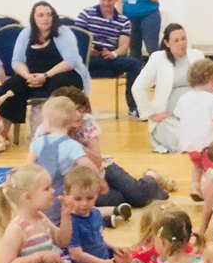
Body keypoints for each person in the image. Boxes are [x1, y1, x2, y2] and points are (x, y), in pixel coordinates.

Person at [36, 86, 171, 213]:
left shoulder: (87, 121)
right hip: (76, 181)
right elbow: (38, 168)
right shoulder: (45, 133)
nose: (78, 114)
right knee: (113, 200)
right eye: (72, 111)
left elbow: (97, 160)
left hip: (102, 168)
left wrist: (78, 148)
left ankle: (151, 176)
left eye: (80, 108)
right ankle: (133, 193)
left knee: (137, 195)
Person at [0, 2, 89, 136]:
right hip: (32, 74)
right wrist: (27, 76)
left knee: (62, 88)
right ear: (33, 18)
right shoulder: (25, 33)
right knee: (10, 86)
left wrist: (45, 75)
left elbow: (71, 61)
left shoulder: (64, 33)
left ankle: (59, 131)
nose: (45, 18)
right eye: (40, 15)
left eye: (48, 15)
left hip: (60, 73)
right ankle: (2, 134)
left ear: (53, 17)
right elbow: (17, 62)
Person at [131, 23, 205, 154]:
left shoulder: (197, 55)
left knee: (206, 136)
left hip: (195, 114)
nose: (181, 43)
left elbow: (208, 84)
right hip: (168, 118)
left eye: (183, 38)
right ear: (167, 43)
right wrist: (150, 114)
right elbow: (137, 87)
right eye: (176, 40)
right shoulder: (158, 58)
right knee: (182, 138)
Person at [76, 0, 143, 117]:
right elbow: (77, 39)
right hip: (87, 60)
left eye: (110, 0)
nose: (106, 3)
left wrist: (113, 53)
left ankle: (133, 106)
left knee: (135, 63)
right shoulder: (86, 14)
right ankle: (75, 106)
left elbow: (124, 47)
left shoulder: (123, 21)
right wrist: (88, 49)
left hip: (109, 60)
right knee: (70, 63)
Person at [0, 166, 72, 263]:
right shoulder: (17, 228)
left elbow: (63, 241)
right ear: (28, 197)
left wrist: (66, 215)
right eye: (47, 188)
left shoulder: (41, 217)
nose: (53, 191)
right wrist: (39, 257)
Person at [27, 95, 91, 223]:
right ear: (71, 122)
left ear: (48, 122)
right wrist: (99, 181)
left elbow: (28, 166)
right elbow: (87, 164)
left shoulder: (39, 142)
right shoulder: (72, 144)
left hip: (40, 195)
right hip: (62, 197)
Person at [174, 58, 213, 199]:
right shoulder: (212, 99)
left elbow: (178, 115)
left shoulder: (184, 98)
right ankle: (208, 192)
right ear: (210, 79)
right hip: (206, 144)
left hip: (189, 144)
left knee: (197, 165)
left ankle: (195, 186)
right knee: (210, 169)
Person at [64, 166, 130, 263]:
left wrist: (113, 247)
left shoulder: (94, 212)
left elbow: (98, 238)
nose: (84, 203)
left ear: (97, 194)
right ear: (67, 196)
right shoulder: (71, 222)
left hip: (103, 258)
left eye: (89, 198)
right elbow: (77, 255)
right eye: (77, 199)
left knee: (130, 255)